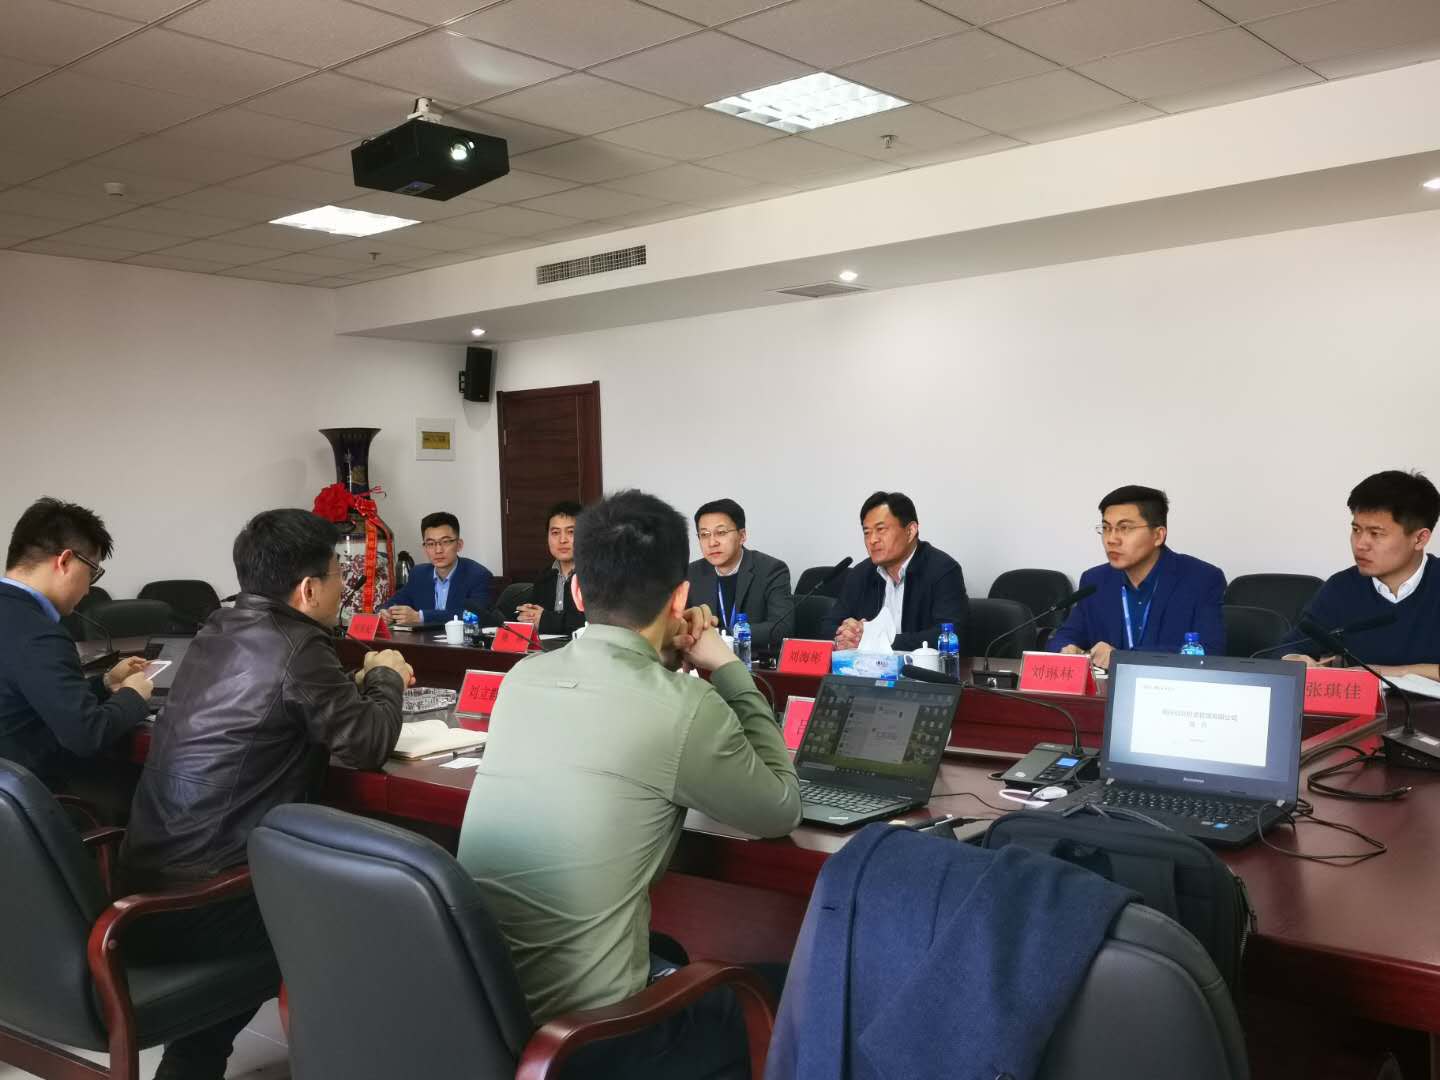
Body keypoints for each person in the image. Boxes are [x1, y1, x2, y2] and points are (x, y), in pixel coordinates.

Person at [457, 490, 800, 1078]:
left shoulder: (523, 678)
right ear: (680, 598)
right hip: (588, 1041)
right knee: (785, 986)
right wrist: (726, 667)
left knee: (666, 949)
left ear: (578, 592)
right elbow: (780, 807)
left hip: (487, 1016)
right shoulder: (684, 705)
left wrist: (660, 663)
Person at [119, 508, 412, 1080]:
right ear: (308, 589)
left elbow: (279, 697)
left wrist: (348, 685)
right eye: (338, 575)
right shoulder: (298, 644)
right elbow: (367, 743)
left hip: (146, 879)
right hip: (208, 898)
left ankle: (190, 1066)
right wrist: (386, 676)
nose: (342, 588)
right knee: (379, 905)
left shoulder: (217, 626)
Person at [0, 497, 153, 790]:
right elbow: (87, 736)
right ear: (65, 561)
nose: (88, 590)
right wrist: (133, 696)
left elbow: (34, 698)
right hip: (29, 795)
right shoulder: (41, 635)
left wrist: (105, 684)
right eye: (92, 572)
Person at [1048, 485, 1225, 669]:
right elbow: (1064, 636)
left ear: (1158, 536)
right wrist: (1066, 649)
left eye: (1124, 528)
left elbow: (1210, 651)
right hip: (1107, 688)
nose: (1111, 539)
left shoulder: (1202, 580)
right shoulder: (1095, 580)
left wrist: (1123, 658)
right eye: (1106, 528)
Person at [1285, 470, 1440, 679]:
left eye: (1376, 534)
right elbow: (1286, 649)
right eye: (1356, 530)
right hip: (1363, 702)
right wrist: (1295, 660)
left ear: (1420, 539)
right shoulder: (1342, 587)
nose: (1360, 544)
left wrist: (1387, 673)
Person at [820, 491, 967, 653]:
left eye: (881, 529)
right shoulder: (861, 573)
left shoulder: (943, 570)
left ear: (910, 531)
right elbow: (828, 626)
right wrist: (845, 636)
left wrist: (875, 640)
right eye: (867, 532)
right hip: (865, 668)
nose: (872, 540)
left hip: (917, 667)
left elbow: (949, 635)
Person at [684, 497, 794, 649]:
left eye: (721, 532)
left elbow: (781, 628)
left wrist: (723, 634)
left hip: (752, 659)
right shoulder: (691, 573)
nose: (712, 542)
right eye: (704, 534)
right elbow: (680, 624)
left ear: (742, 536)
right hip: (706, 660)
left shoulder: (771, 570)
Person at [381, 511, 492, 626]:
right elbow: (394, 603)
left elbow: (477, 615)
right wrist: (386, 613)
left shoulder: (478, 575)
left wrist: (421, 617)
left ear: (459, 545)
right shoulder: (418, 574)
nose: (438, 550)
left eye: (445, 542)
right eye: (430, 544)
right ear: (425, 548)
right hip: (422, 638)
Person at [514, 500, 586, 635]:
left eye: (571, 532)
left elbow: (598, 623)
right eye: (555, 533)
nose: (562, 540)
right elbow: (536, 619)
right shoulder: (545, 576)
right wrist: (528, 615)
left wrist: (547, 620)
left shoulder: (599, 576)